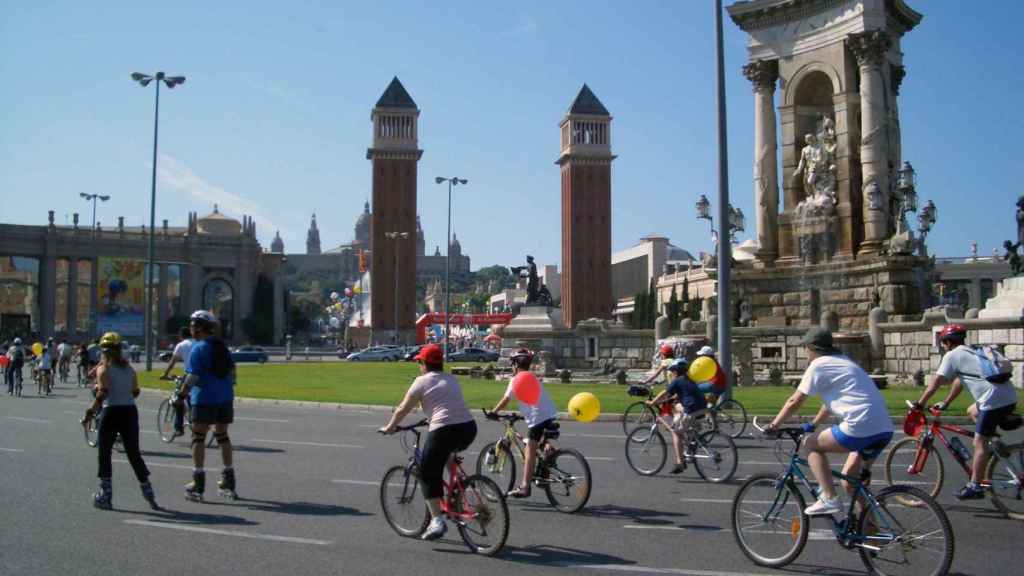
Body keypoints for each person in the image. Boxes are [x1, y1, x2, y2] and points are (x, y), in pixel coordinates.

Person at [765, 327, 893, 516]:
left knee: (810, 444)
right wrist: (814, 424)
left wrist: (773, 425)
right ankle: (871, 533)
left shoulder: (818, 365)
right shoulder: (845, 362)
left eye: (805, 348)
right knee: (849, 481)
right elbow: (829, 404)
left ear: (810, 347)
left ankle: (829, 497)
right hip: (883, 427)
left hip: (859, 425)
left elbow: (794, 401)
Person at [379, 343, 476, 541]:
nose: (419, 366)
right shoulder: (451, 379)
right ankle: (457, 488)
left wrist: (390, 427)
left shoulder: (421, 381)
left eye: (420, 362)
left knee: (426, 472)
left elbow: (402, 410)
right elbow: (447, 405)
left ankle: (437, 521)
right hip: (468, 427)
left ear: (424, 363)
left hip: (444, 429)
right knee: (446, 452)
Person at [914, 324, 1018, 500]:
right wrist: (946, 402)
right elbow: (959, 381)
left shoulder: (952, 355)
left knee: (979, 441)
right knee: (972, 411)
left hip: (993, 400)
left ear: (947, 342)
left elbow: (936, 382)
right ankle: (996, 445)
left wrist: (920, 404)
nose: (943, 346)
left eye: (943, 343)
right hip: (1008, 396)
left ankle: (975, 486)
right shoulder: (971, 351)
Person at [81, 332, 158, 510]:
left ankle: (105, 494)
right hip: (130, 412)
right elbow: (136, 392)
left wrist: (90, 412)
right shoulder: (128, 368)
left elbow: (102, 393)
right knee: (133, 453)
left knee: (104, 452)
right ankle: (147, 489)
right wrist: (124, 394)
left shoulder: (103, 369)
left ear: (103, 350)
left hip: (111, 411)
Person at [180, 310, 237, 501]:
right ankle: (228, 481)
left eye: (194, 325)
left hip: (204, 398)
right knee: (222, 436)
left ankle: (198, 484)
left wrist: (182, 394)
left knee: (198, 437)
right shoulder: (222, 347)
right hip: (225, 397)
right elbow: (233, 374)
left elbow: (193, 376)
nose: (191, 328)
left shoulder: (199, 348)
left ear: (200, 328)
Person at [487, 348, 558, 498]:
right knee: (541, 441)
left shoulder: (515, 379)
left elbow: (506, 400)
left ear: (516, 364)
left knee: (530, 449)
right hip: (550, 413)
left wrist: (493, 412)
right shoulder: (532, 377)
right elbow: (534, 400)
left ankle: (525, 487)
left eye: (512, 364)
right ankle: (547, 456)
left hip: (537, 417)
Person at [647, 358, 707, 474]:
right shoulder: (689, 380)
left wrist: (652, 402)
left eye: (672, 371)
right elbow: (679, 395)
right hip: (702, 409)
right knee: (681, 416)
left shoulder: (677, 380)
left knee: (676, 432)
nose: (671, 373)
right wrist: (670, 399)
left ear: (675, 372)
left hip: (692, 410)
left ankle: (680, 462)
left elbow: (664, 393)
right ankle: (691, 446)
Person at [161, 326, 195, 436]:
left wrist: (165, 374)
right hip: (202, 375)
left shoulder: (181, 345)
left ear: (181, 336)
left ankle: (178, 428)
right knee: (192, 398)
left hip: (189, 375)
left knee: (178, 400)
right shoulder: (199, 343)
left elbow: (172, 362)